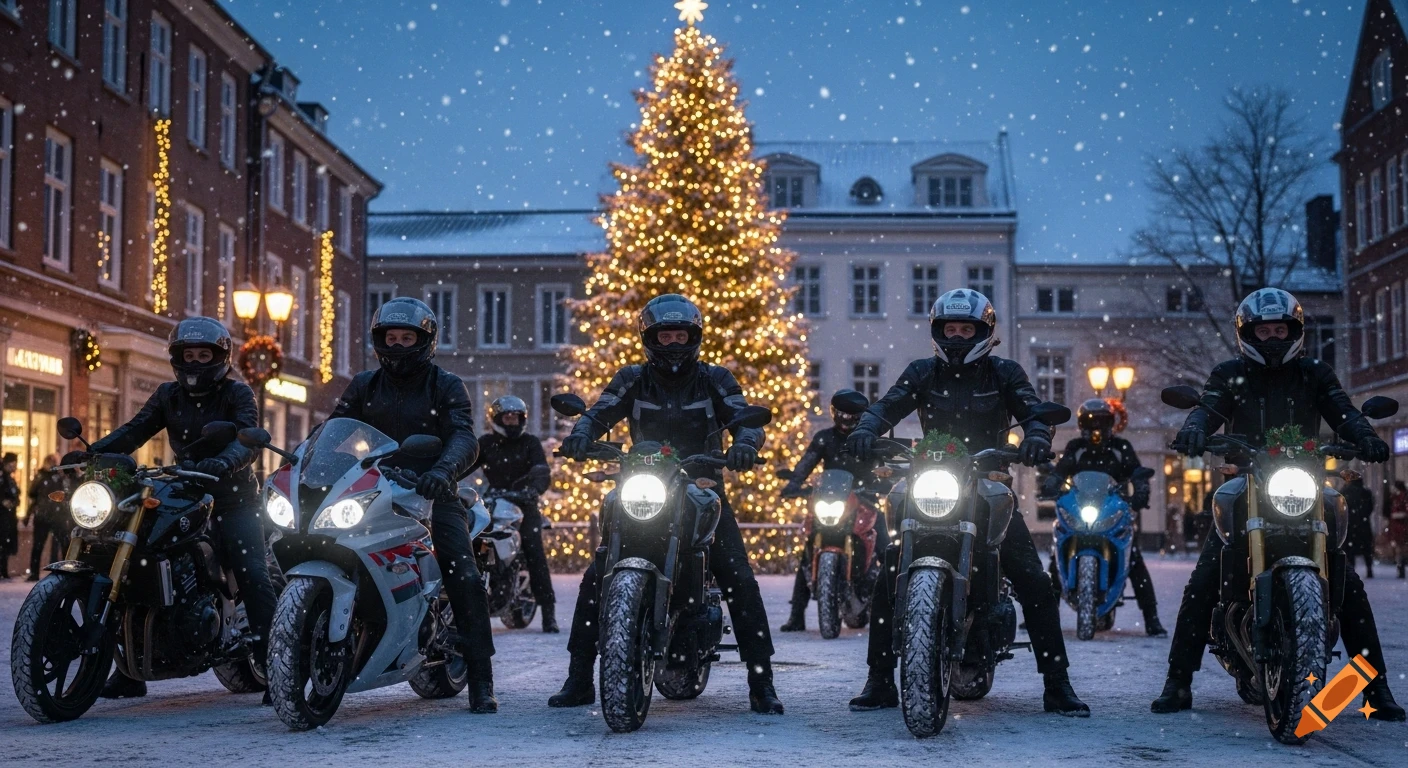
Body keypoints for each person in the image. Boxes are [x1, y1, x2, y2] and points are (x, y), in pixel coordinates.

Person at [1151, 287, 1404, 721]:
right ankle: (1178, 682)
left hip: (1304, 481)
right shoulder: (1230, 374)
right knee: (1206, 577)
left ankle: (1375, 689)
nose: (1272, 338)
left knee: (1347, 586)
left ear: (1295, 332)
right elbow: (1209, 407)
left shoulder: (1315, 374)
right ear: (1247, 333)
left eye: (1280, 330)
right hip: (1247, 481)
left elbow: (1342, 411)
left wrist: (1364, 436)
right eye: (1263, 331)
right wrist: (1195, 428)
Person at [844, 288, 1091, 717]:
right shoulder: (922, 372)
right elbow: (887, 405)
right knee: (889, 571)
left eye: (966, 329)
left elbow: (1032, 412)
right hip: (931, 482)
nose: (957, 336)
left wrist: (1036, 436)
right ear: (937, 331)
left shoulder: (1004, 373)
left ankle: (1057, 684)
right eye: (950, 329)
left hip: (987, 484)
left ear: (984, 332)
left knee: (1033, 579)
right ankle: (880, 680)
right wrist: (866, 429)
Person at [548, 294, 784, 715]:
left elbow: (741, 415)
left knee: (738, 576)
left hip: (702, 486)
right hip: (643, 483)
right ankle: (579, 676)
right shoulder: (632, 379)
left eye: (681, 336)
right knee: (597, 573)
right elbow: (600, 411)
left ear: (694, 337)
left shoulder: (715, 379)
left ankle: (761, 681)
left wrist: (746, 444)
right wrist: (581, 436)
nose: (673, 344)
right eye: (665, 336)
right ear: (649, 338)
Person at [84, 317, 276, 701]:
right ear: (177, 357)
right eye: (189, 355)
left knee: (252, 571)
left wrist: (225, 461)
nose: (196, 362)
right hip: (186, 491)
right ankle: (129, 669)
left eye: (204, 355)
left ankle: (276, 669)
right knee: (137, 559)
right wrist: (93, 453)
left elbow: (247, 439)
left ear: (220, 357)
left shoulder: (238, 393)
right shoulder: (168, 395)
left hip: (233, 499)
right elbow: (136, 430)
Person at [329, 297, 499, 713]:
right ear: (379, 340)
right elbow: (334, 431)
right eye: (392, 337)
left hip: (431, 491)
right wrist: (312, 464)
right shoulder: (364, 385)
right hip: (372, 487)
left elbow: (464, 435)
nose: (398, 346)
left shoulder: (446, 385)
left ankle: (480, 677)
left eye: (407, 338)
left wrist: (442, 471)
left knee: (461, 569)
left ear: (425, 341)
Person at [1044, 399, 1166, 636]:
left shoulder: (1121, 448)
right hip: (1080, 510)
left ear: (1112, 423)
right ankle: (1044, 617)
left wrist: (1141, 489)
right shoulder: (1075, 447)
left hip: (1113, 511)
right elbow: (1061, 470)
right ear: (1081, 425)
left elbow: (1136, 471)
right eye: (1090, 422)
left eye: (1102, 421)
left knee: (1134, 561)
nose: (1096, 427)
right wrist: (1052, 483)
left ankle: (1152, 619)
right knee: (1055, 559)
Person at [779, 388, 892, 632]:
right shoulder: (824, 438)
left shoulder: (869, 439)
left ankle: (892, 610)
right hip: (832, 501)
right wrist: (794, 484)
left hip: (865, 501)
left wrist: (884, 482)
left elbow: (883, 469)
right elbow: (807, 462)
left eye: (852, 416)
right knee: (809, 549)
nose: (846, 420)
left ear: (861, 417)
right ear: (834, 413)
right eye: (841, 414)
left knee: (887, 550)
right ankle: (796, 615)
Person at [468, 395, 558, 633]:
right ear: (497, 419)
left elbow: (541, 470)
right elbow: (467, 465)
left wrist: (533, 489)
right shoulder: (486, 443)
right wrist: (448, 477)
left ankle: (548, 613)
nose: (511, 421)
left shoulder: (530, 442)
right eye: (506, 417)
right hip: (493, 501)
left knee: (534, 551)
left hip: (524, 503)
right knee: (470, 538)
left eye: (515, 417)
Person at [24, 454, 70, 581]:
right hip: (43, 516)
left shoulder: (59, 477)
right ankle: (34, 572)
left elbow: (65, 493)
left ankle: (66, 570)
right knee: (38, 545)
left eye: (53, 462)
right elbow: (32, 493)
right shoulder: (41, 476)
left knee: (63, 544)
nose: (51, 465)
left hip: (56, 515)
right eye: (50, 462)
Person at [1342, 475, 1376, 579]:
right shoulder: (1366, 492)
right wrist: (1363, 515)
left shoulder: (1345, 492)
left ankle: (1352, 570)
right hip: (1363, 524)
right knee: (1366, 549)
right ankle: (1369, 569)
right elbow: (1370, 507)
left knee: (1350, 549)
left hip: (1350, 524)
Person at [0, 452, 18, 580]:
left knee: (6, 544)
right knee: (2, 543)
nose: (14, 467)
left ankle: (4, 570)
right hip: (3, 516)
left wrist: (15, 502)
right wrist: (3, 501)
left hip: (9, 516)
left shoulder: (10, 479)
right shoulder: (3, 478)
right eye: (12, 464)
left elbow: (15, 495)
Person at [1390, 481, 1408, 579]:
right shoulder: (1400, 497)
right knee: (1401, 549)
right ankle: (1401, 568)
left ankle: (1401, 568)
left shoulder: (1399, 498)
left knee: (1400, 550)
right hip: (1401, 527)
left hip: (1399, 527)